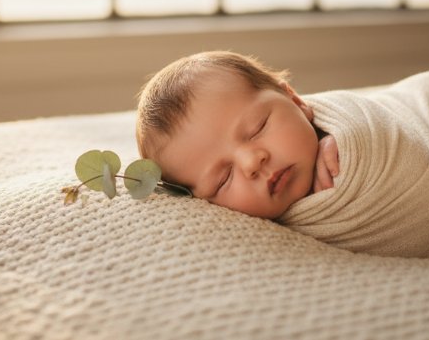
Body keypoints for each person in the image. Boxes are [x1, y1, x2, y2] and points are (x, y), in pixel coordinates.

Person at [135, 51, 340, 219]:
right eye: (224, 179)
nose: (252, 163)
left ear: (295, 101)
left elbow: (363, 116)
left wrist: (341, 137)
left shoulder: (344, 136)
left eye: (257, 129)